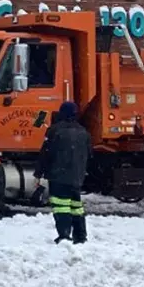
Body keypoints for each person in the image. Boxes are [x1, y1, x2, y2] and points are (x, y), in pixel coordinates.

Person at [34, 100, 91, 244]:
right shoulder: (83, 132)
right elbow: (89, 154)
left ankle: (64, 235)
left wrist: (38, 174)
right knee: (76, 206)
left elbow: (46, 153)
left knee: (61, 206)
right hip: (76, 176)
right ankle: (81, 236)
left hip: (58, 175)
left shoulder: (54, 130)